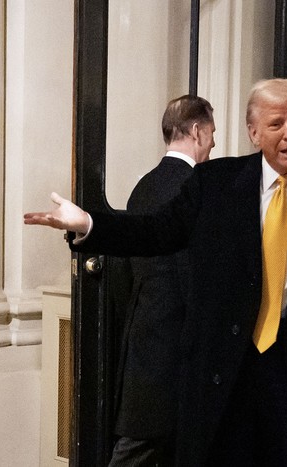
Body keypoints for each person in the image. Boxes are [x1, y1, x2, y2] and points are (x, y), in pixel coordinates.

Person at [25, 78, 287, 466]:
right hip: (228, 368)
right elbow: (158, 231)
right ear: (253, 132)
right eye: (276, 124)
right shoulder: (216, 183)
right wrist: (89, 224)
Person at [108, 95, 215, 467]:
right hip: (181, 343)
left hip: (143, 336)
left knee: (139, 445)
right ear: (198, 131)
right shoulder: (200, 187)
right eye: (212, 132)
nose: (214, 143)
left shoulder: (143, 186)